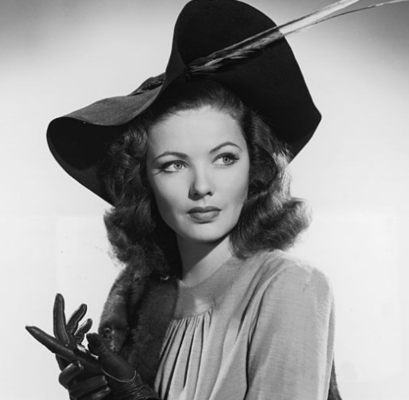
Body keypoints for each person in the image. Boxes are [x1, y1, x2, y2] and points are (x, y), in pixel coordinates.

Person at [28, 0, 342, 399]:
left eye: (225, 158)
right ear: (143, 180)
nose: (202, 186)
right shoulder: (137, 295)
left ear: (255, 166)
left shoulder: (288, 287)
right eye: (174, 165)